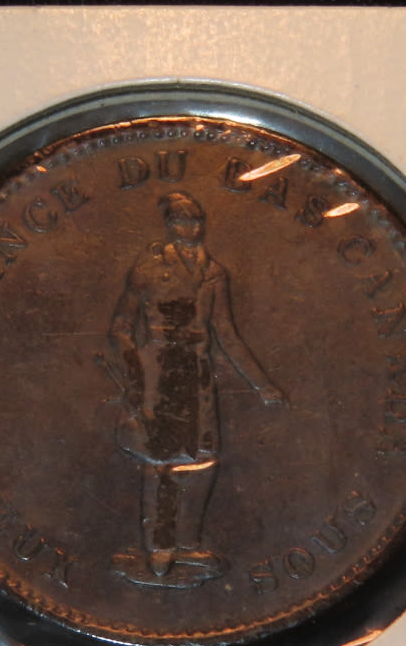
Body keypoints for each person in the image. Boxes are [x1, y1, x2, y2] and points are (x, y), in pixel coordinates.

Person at [108, 191, 284, 581]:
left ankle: (187, 543)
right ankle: (158, 548)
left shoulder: (214, 272)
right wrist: (135, 374)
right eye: (181, 221)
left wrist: (261, 385)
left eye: (195, 220)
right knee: (160, 462)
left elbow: (226, 334)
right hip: (160, 373)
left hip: (198, 374)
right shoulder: (149, 268)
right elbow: (120, 327)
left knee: (203, 460)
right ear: (169, 225)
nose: (190, 228)